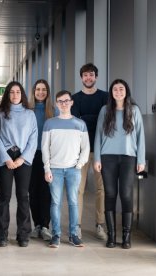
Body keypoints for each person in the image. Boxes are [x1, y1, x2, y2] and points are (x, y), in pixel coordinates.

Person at [94, 79, 145, 249]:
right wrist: (97, 159)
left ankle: (126, 237)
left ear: (126, 91)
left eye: (121, 88)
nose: (118, 92)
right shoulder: (104, 110)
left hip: (128, 157)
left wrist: (141, 160)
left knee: (126, 194)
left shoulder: (134, 110)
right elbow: (98, 135)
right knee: (110, 194)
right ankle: (111, 237)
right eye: (115, 89)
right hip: (107, 157)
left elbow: (140, 136)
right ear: (111, 92)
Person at [42, 90, 90, 248]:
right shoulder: (50, 123)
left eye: (66, 100)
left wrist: (79, 165)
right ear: (56, 103)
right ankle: (56, 234)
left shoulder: (80, 124)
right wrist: (47, 169)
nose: (63, 103)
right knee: (55, 203)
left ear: (71, 102)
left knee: (73, 202)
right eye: (60, 101)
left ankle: (73, 235)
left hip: (73, 170)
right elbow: (45, 148)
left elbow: (85, 148)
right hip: (54, 169)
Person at [0, 81, 38, 247]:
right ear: (7, 94)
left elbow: (34, 138)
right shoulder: (0, 112)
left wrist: (22, 158)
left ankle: (23, 234)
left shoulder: (29, 114)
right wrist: (6, 158)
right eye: (11, 92)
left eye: (17, 92)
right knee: (4, 196)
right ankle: (2, 235)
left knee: (23, 196)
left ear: (22, 94)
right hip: (5, 156)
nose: (14, 95)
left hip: (23, 158)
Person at [71, 63, 108, 240]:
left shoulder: (105, 97)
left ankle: (99, 224)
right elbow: (77, 123)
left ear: (96, 77)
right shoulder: (75, 98)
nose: (88, 78)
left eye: (91, 75)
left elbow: (106, 120)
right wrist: (95, 118)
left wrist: (86, 118)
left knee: (102, 188)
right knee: (79, 189)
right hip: (81, 151)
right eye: (85, 75)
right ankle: (76, 225)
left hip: (102, 150)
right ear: (81, 78)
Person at [28, 79, 54, 241]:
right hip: (31, 155)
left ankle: (45, 225)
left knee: (46, 191)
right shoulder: (28, 110)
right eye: (38, 89)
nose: (41, 92)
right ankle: (36, 224)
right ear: (33, 91)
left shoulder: (53, 111)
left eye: (44, 89)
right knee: (32, 191)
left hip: (47, 156)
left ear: (48, 92)